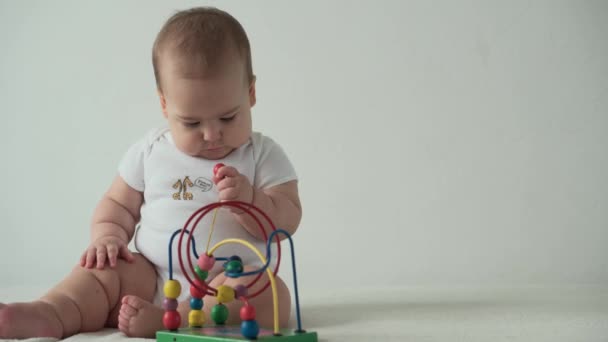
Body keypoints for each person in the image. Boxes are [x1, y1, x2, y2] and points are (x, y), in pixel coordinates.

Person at [0, 6, 301, 339]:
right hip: (153, 276)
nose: (212, 134)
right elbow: (117, 203)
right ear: (164, 105)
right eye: (192, 122)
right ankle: (52, 311)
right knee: (103, 270)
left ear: (251, 94)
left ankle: (175, 319)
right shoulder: (151, 150)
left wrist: (252, 200)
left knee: (273, 295)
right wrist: (108, 237)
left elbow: (288, 218)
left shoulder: (263, 155)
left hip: (228, 281)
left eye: (228, 118)